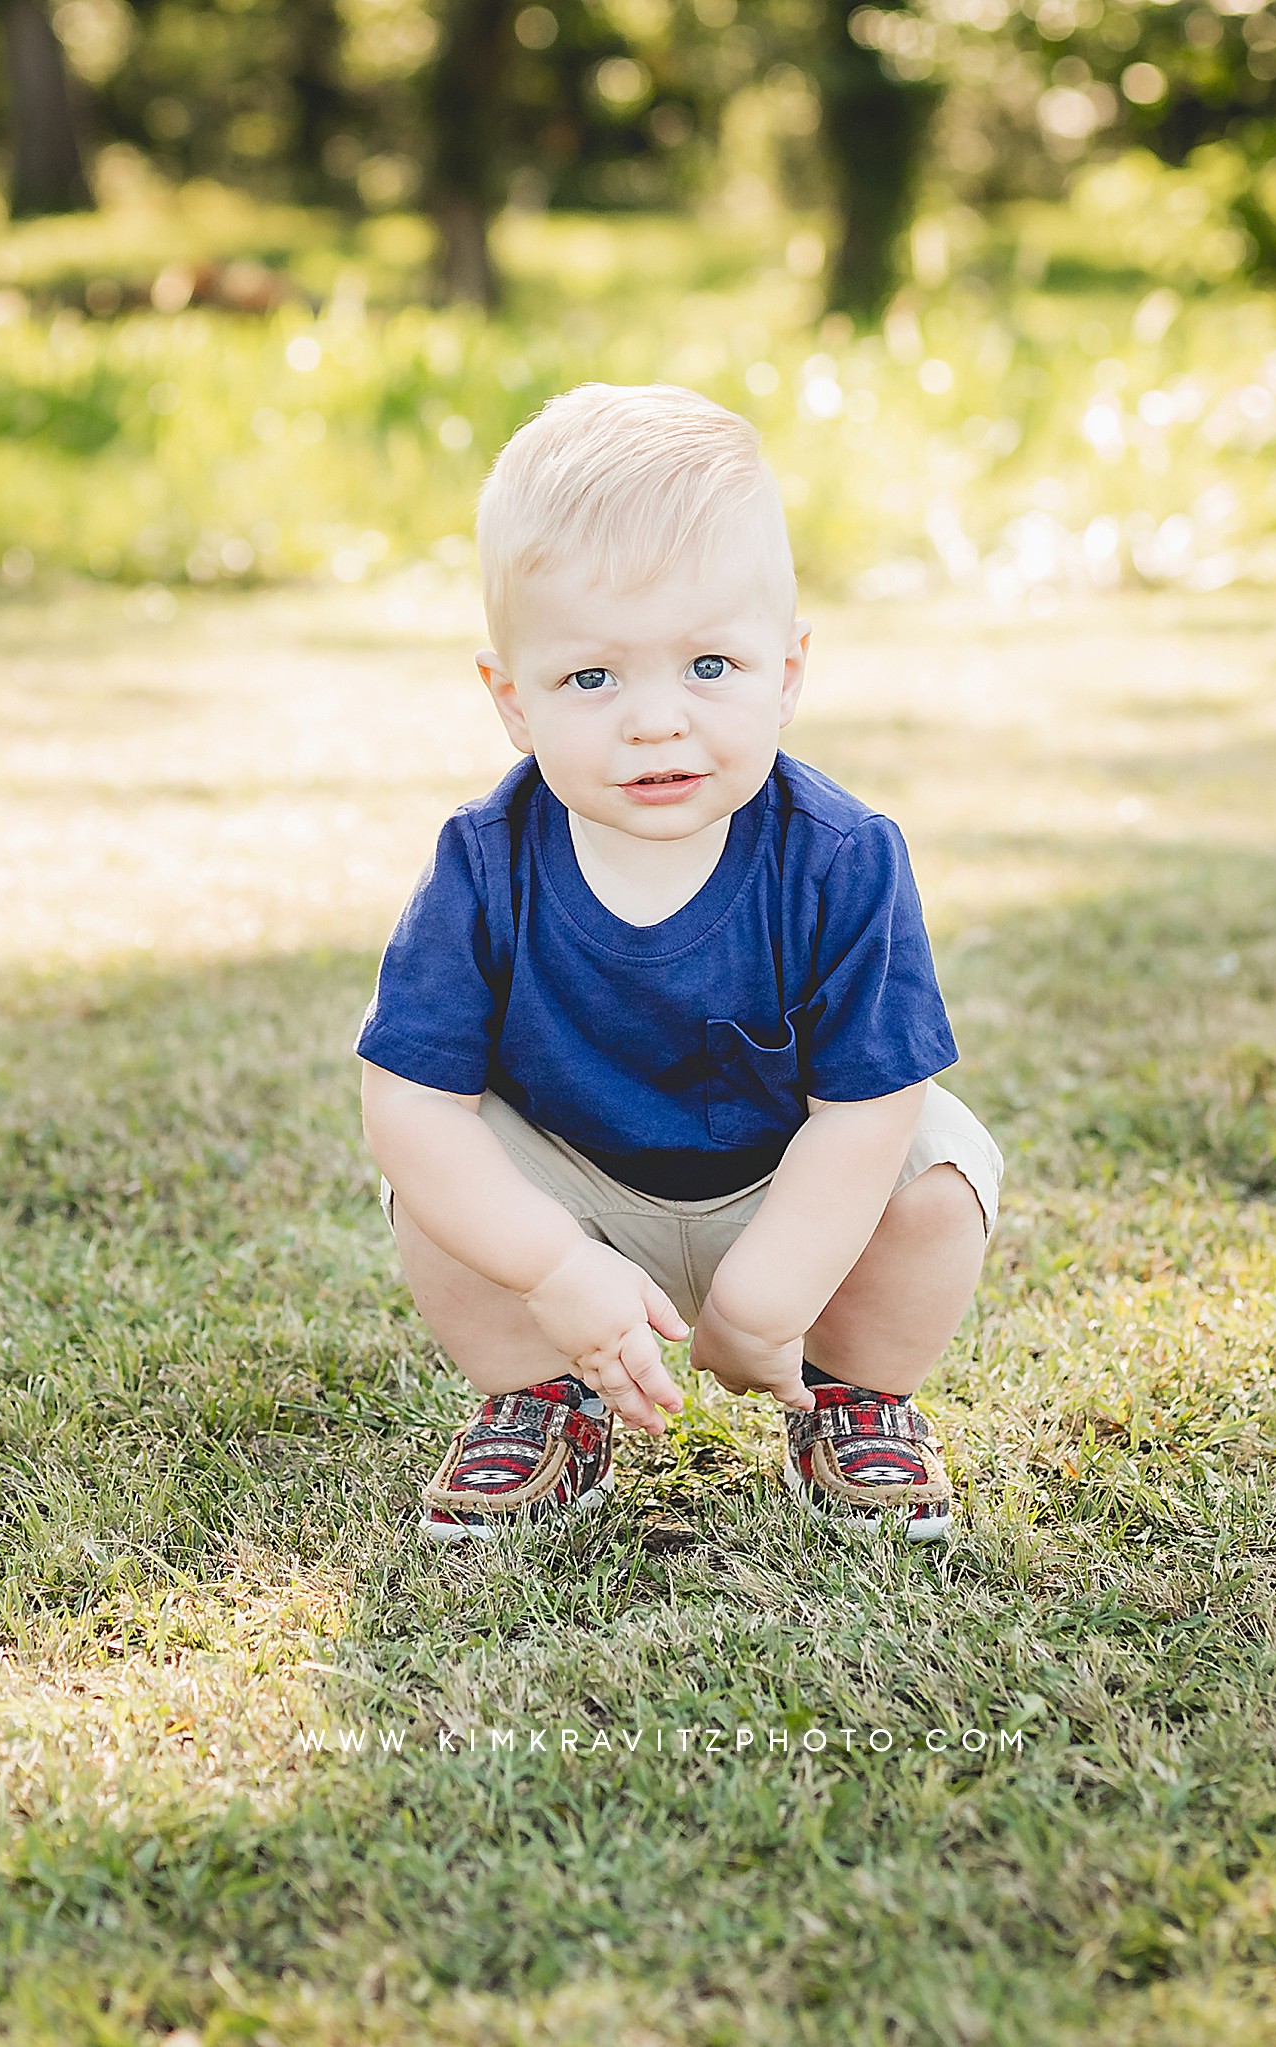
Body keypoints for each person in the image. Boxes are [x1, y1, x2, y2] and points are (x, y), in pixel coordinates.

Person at [357, 383, 1003, 1547]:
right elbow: (407, 1102)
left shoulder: (842, 857)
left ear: (789, 673)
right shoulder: (482, 861)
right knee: (435, 1187)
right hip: (579, 1193)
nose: (658, 721)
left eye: (711, 664)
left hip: (798, 1190)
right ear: (513, 699)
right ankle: (544, 1391)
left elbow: (867, 1105)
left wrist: (773, 1291)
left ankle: (853, 1394)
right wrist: (552, 1263)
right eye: (593, 679)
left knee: (939, 1170)